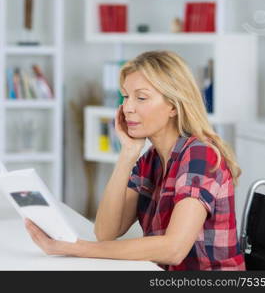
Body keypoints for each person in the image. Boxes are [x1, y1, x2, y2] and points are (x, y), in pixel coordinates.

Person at [25, 50, 246, 271]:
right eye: (126, 97)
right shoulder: (151, 159)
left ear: (173, 105)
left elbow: (173, 249)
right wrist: (128, 153)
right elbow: (106, 232)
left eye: (141, 98)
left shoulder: (200, 156)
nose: (128, 108)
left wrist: (76, 248)